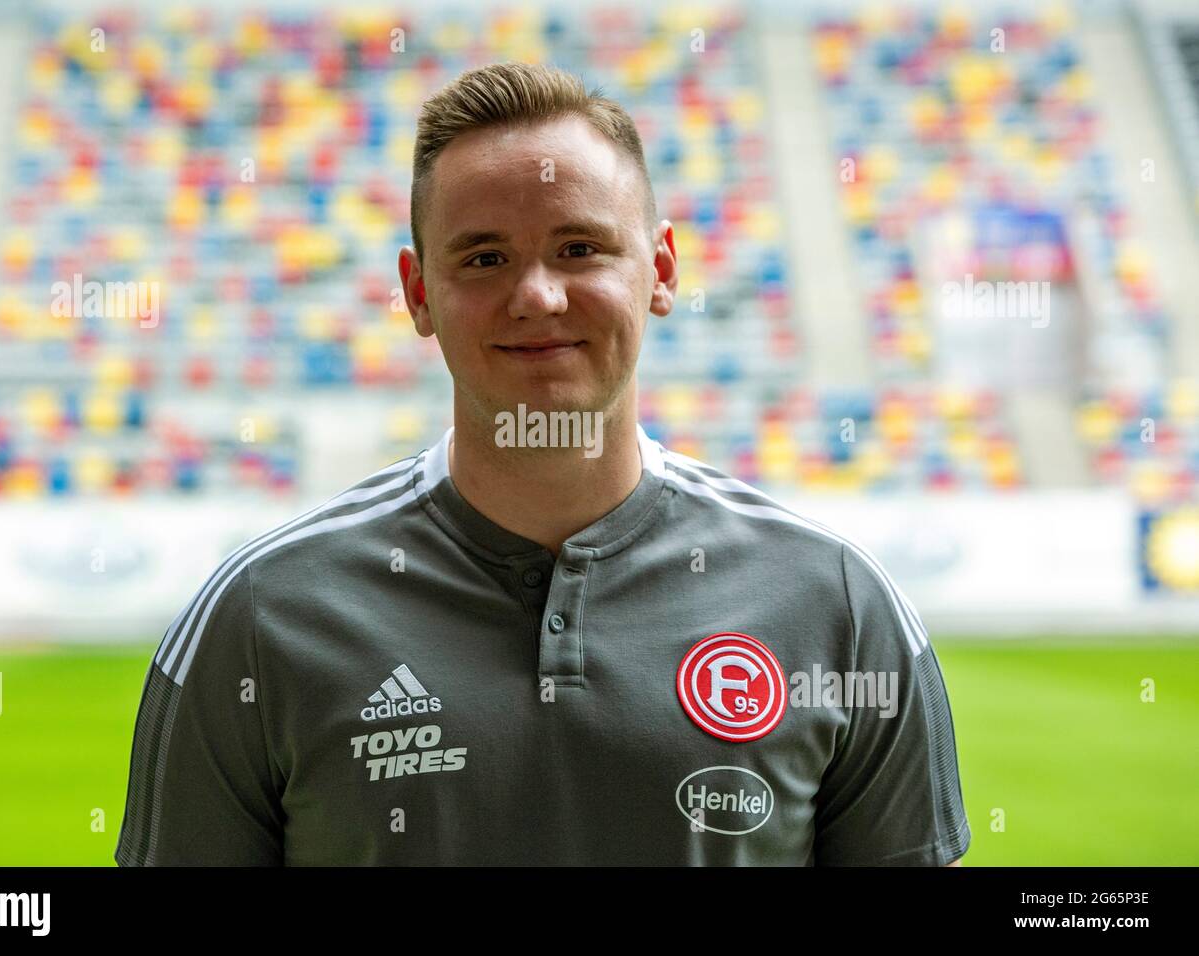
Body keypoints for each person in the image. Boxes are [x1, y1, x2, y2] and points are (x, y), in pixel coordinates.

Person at [115, 62, 970, 866]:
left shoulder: (840, 605)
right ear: (417, 294)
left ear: (661, 270)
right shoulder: (260, 617)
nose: (537, 296)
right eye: (485, 258)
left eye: (580, 249)